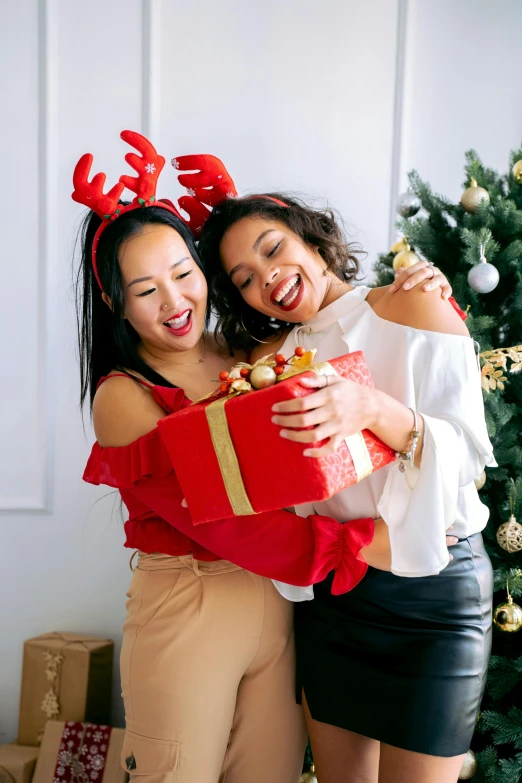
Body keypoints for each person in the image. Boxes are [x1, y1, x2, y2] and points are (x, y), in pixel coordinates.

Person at [73, 132, 456, 783]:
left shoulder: (243, 355)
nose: (174, 302)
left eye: (184, 273)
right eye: (145, 289)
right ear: (113, 301)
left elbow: (315, 308)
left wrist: (419, 282)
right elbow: (222, 519)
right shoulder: (123, 397)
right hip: (191, 605)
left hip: (281, 603)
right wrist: (358, 542)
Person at [190, 178, 495, 783]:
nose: (266, 277)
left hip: (435, 596)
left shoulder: (414, 303)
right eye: (245, 278)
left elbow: (468, 461)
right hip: (335, 600)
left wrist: (375, 410)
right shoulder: (265, 366)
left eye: (272, 249)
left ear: (310, 237)